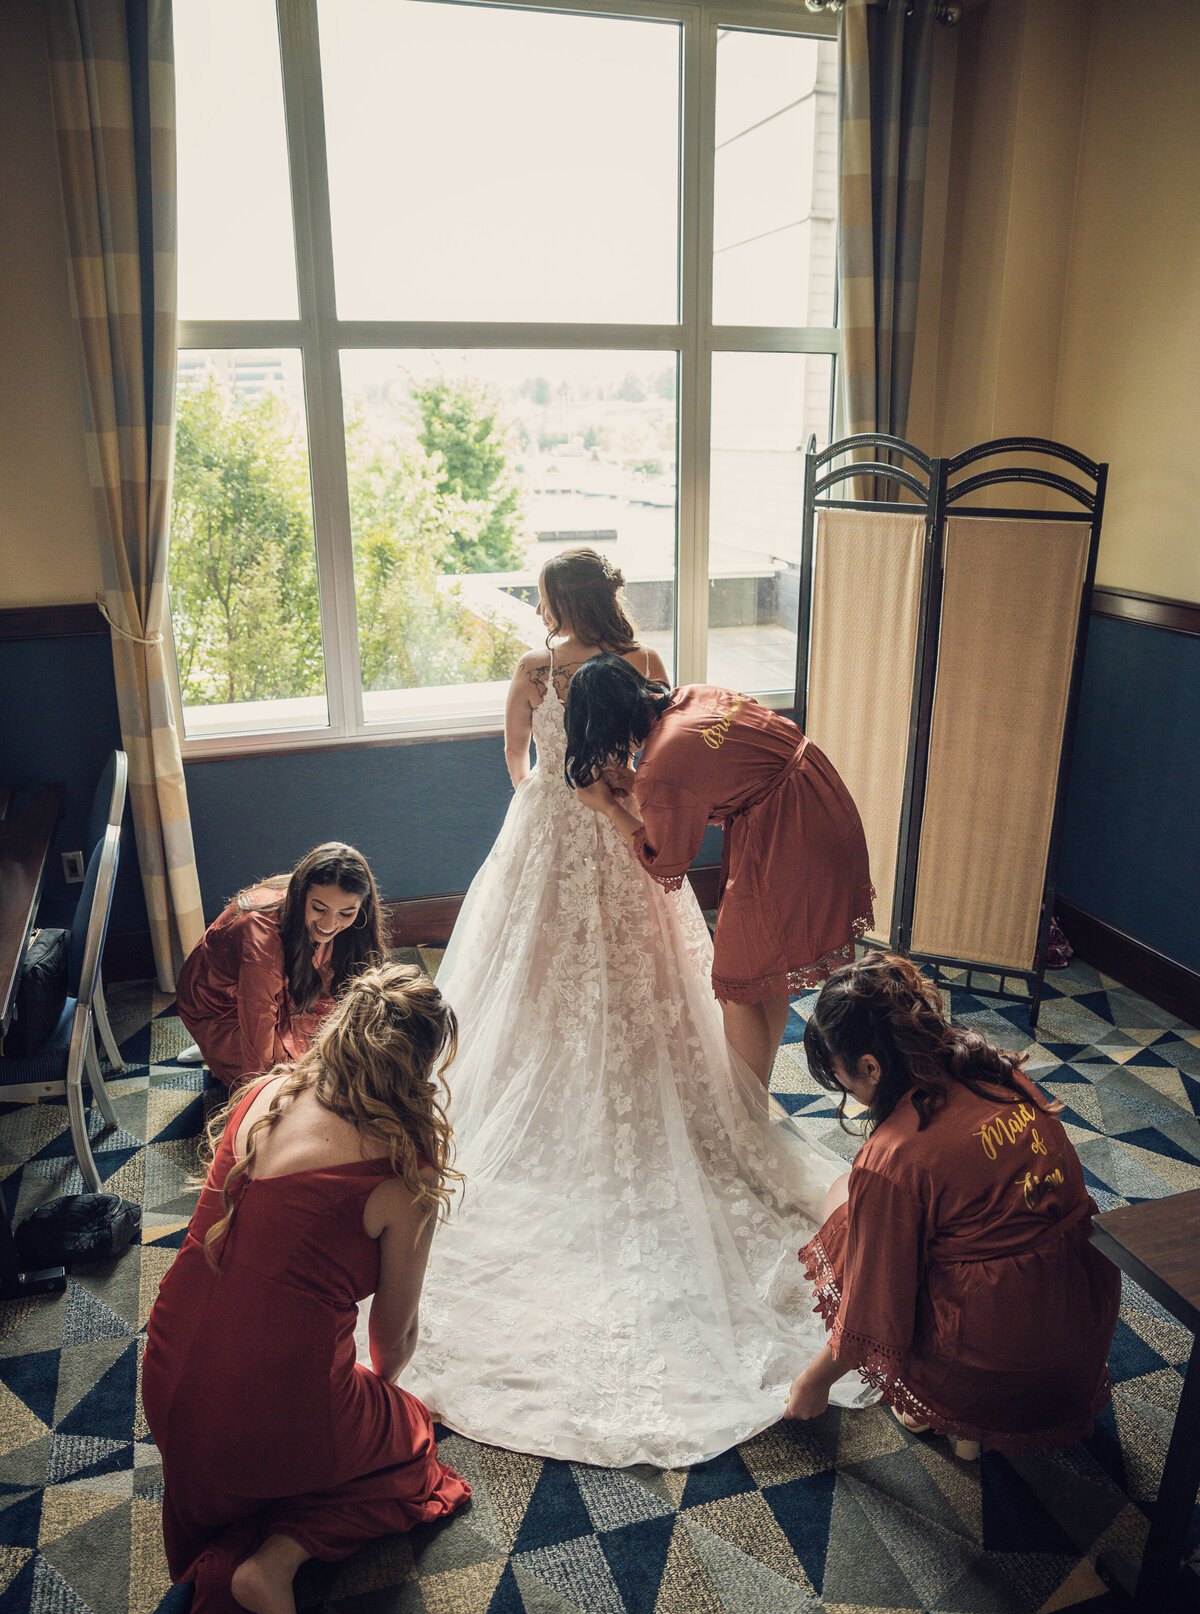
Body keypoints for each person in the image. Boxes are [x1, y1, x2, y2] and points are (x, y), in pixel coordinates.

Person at [392, 547, 869, 1469]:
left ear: (550, 603)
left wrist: (570, 802)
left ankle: (582, 1061)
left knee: (534, 974)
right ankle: (723, 1082)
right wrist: (615, 799)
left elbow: (519, 764)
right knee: (656, 967)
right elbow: (645, 770)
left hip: (572, 824)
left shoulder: (537, 671)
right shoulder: (650, 670)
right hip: (631, 821)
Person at [142, 964, 470, 1614]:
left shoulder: (267, 1090)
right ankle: (273, 1563)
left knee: (287, 1422)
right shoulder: (399, 1171)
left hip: (165, 1374)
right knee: (409, 1444)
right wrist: (377, 1399)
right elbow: (394, 1335)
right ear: (419, 1068)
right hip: (267, 1406)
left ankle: (272, 1502)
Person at [783, 952, 1121, 1457]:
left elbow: (875, 1309)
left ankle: (952, 1408)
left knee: (845, 1199)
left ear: (871, 1066)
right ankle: (971, 1423)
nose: (849, 1095)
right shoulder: (1000, 1073)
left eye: (845, 1081)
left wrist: (812, 1386)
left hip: (995, 1355)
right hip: (1082, 1327)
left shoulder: (893, 1155)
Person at [566, 656, 874, 1089]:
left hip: (787, 837)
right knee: (763, 971)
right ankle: (756, 1091)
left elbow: (664, 862)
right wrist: (639, 779)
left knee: (738, 981)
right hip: (819, 801)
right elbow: (712, 773)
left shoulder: (660, 765)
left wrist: (609, 805)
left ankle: (745, 1106)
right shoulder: (698, 694)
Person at [176, 842, 386, 1087]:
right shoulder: (261, 935)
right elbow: (258, 1030)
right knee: (288, 1080)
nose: (330, 923)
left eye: (346, 913)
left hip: (274, 978)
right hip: (220, 1002)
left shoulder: (324, 902)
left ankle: (222, 1051)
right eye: (319, 908)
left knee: (336, 1047)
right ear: (300, 894)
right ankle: (215, 1045)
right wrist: (265, 1097)